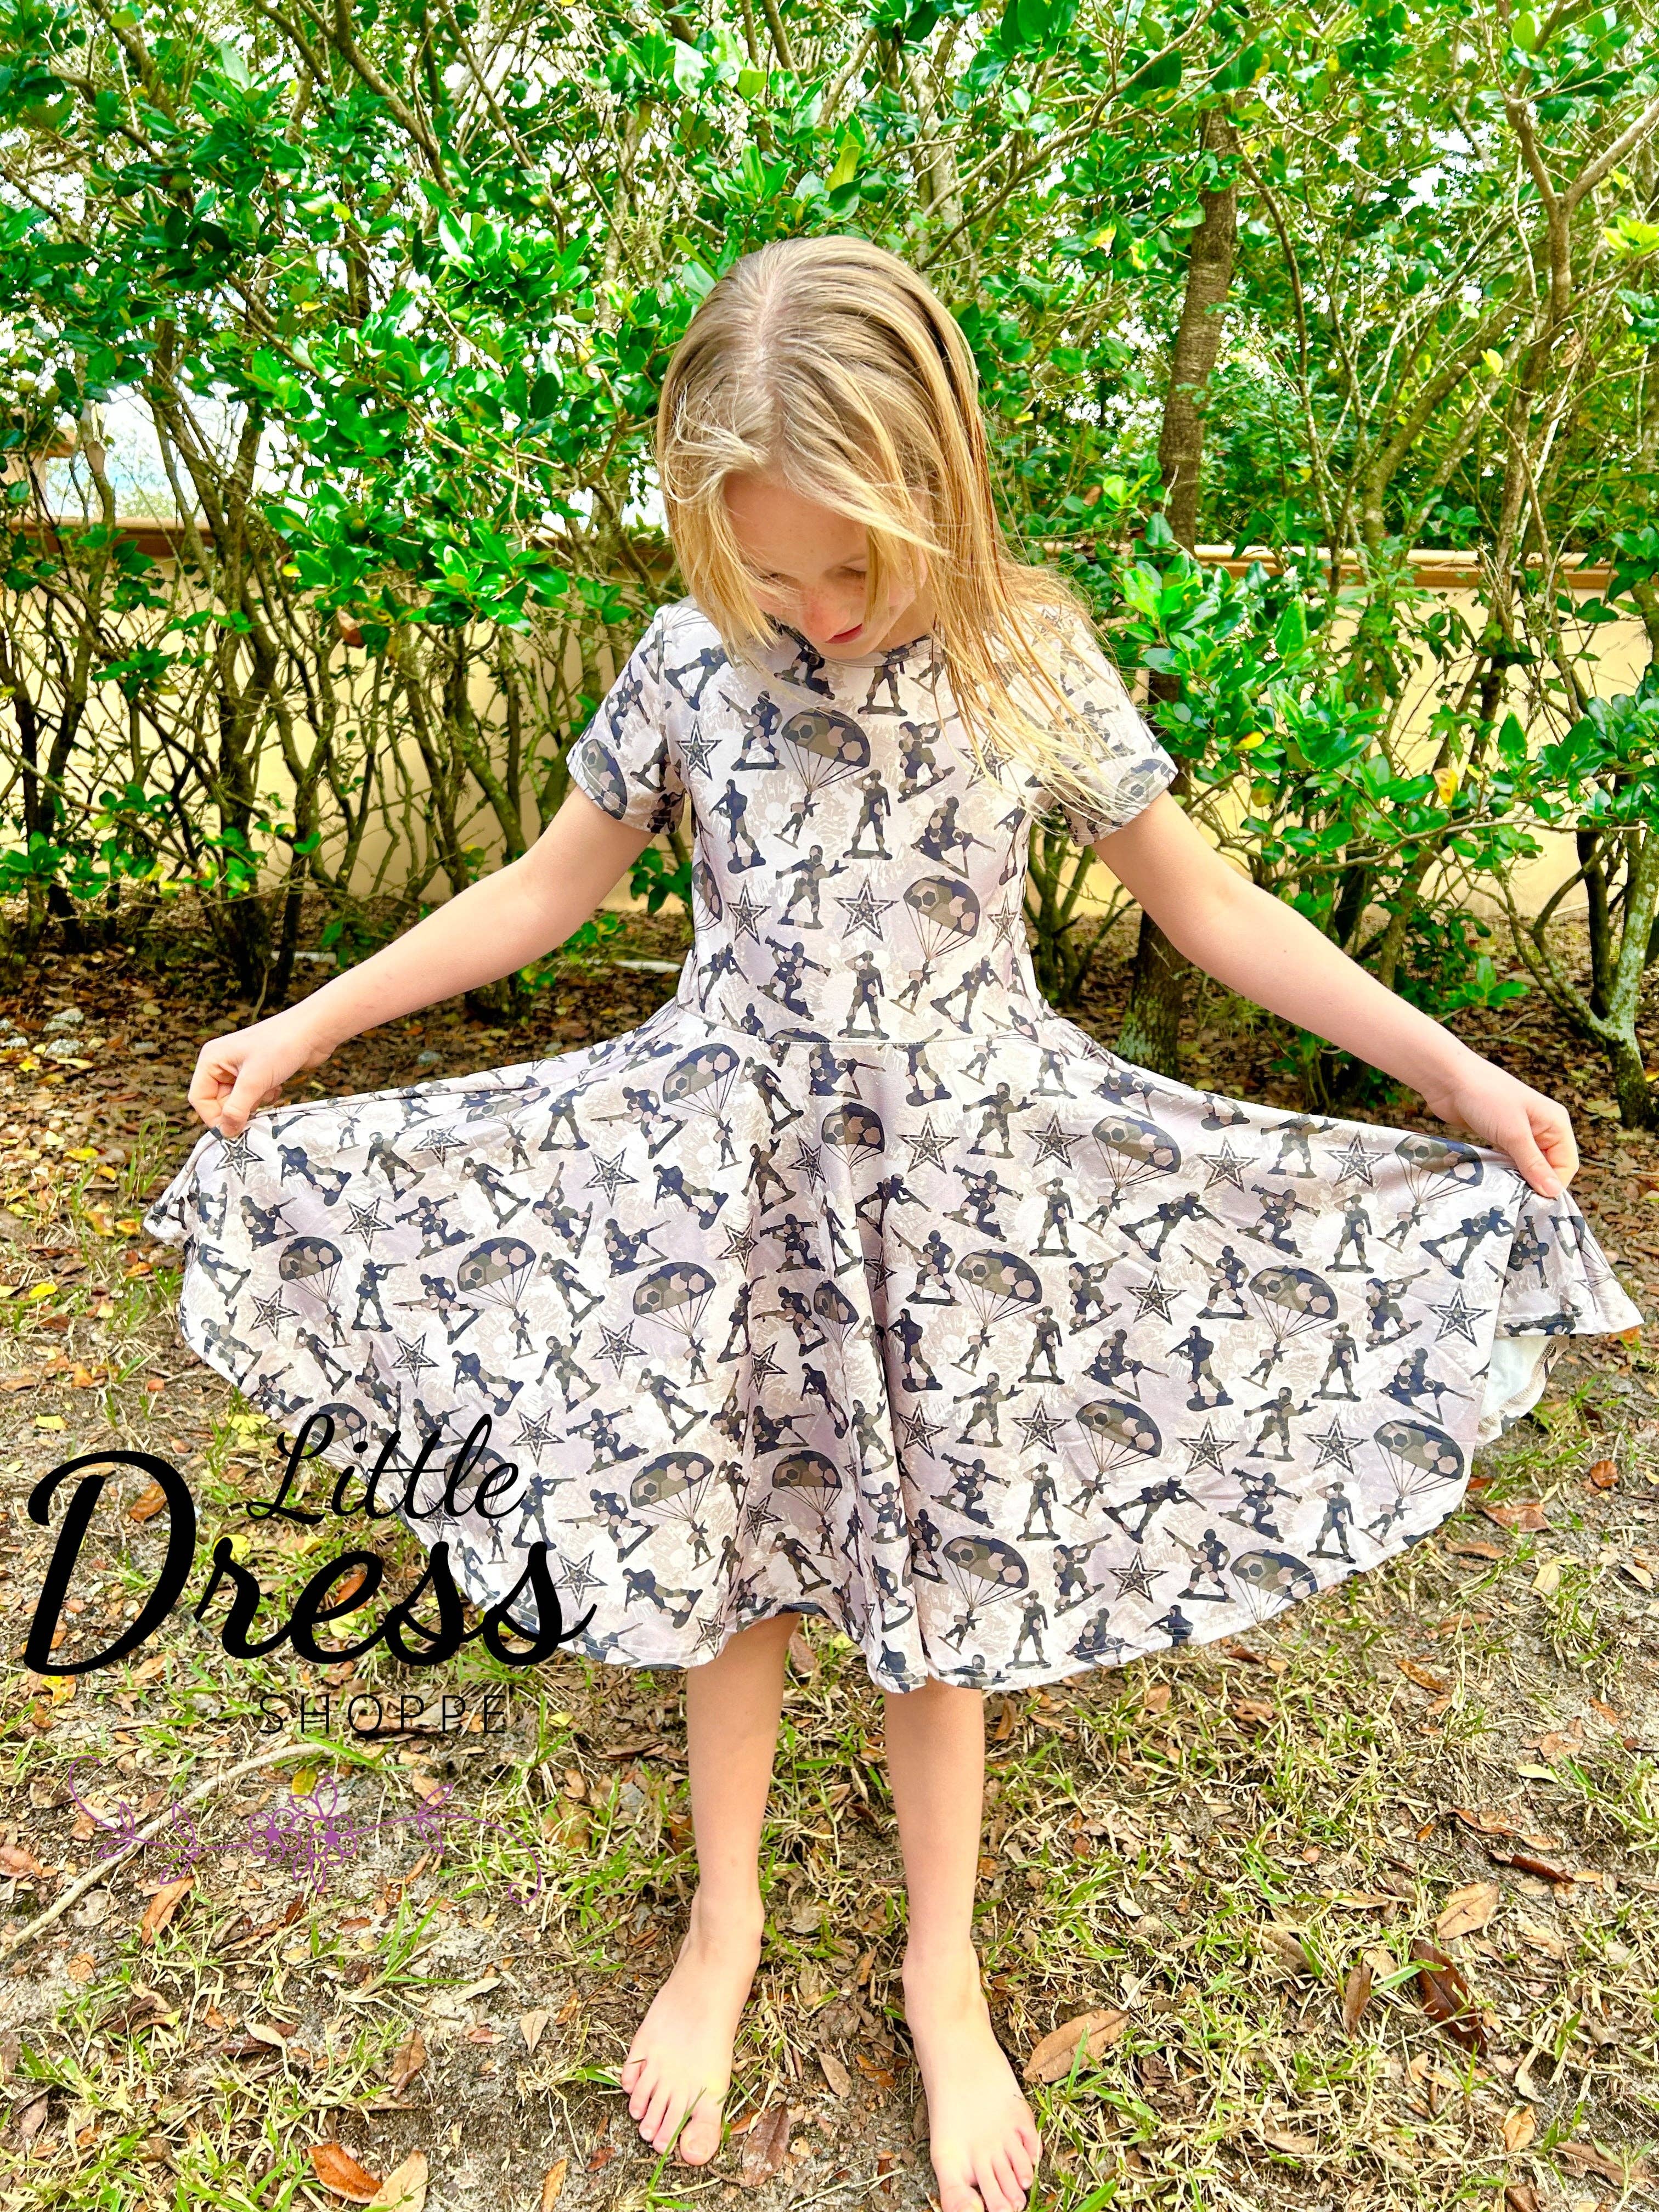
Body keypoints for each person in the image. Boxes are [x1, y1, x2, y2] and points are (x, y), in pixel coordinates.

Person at [143, 234, 1640, 2212]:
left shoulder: (1028, 662)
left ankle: (945, 1967)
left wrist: (1451, 1072)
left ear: (942, 486)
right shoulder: (693, 665)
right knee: (734, 1544)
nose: (822, 617)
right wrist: (308, 1026)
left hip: (963, 1195)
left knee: (947, 1571)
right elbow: (542, 889)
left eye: (856, 570)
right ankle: (726, 1919)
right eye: (775, 578)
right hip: (729, 1186)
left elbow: (1207, 904)